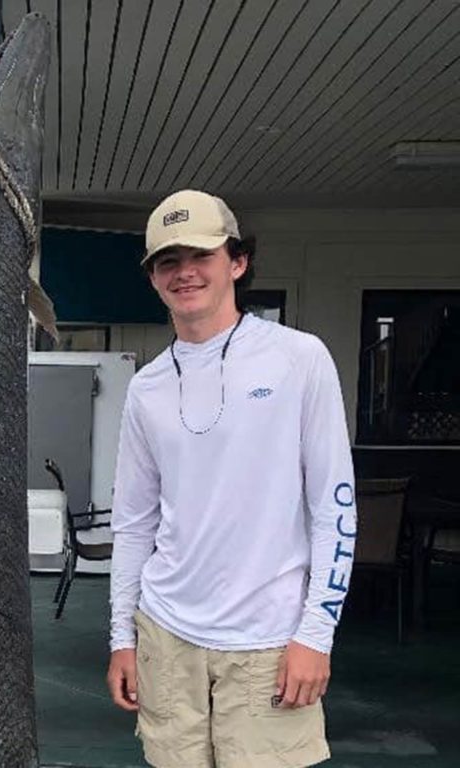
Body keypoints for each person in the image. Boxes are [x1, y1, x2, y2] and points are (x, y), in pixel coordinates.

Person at [106, 189, 356, 768]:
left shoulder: (300, 359)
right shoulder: (146, 388)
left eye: (201, 255)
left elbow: (334, 507)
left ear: (237, 262)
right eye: (168, 260)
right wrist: (123, 638)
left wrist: (315, 634)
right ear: (152, 278)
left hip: (268, 642)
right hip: (166, 639)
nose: (185, 272)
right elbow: (135, 524)